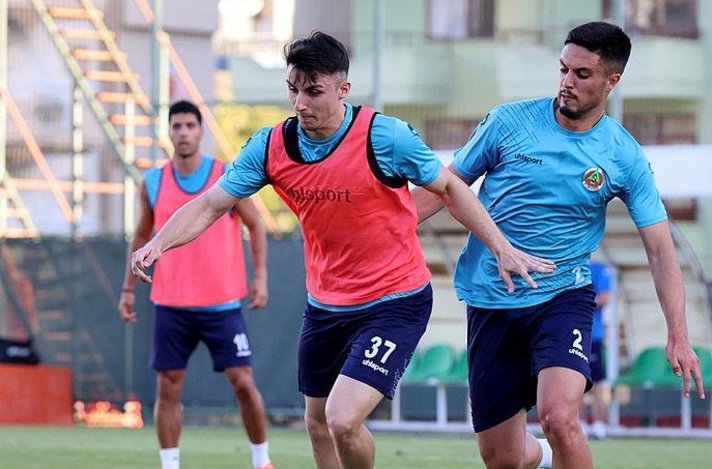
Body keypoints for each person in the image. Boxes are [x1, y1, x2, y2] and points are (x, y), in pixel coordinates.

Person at [129, 32, 554, 469]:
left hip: (395, 301)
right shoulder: (270, 147)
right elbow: (209, 205)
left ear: (342, 89)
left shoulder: (385, 137)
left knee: (342, 418)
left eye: (313, 91)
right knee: (317, 423)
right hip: (326, 306)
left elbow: (449, 187)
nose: (300, 103)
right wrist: (158, 243)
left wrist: (500, 246)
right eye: (293, 89)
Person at [414, 21, 705, 469]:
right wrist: (383, 231)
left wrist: (678, 335)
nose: (567, 82)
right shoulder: (508, 122)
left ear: (611, 81)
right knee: (503, 459)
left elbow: (661, 250)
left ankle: (557, 443)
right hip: (492, 297)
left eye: (582, 74)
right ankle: (545, 456)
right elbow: (446, 187)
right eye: (564, 69)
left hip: (562, 295)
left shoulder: (622, 154)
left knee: (559, 417)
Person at [118, 100, 273, 469]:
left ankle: (261, 460)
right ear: (169, 132)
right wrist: (127, 289)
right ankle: (170, 464)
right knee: (167, 386)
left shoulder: (225, 175)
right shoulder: (152, 182)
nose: (183, 132)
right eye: (177, 126)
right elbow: (141, 235)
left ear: (201, 131)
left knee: (243, 382)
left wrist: (261, 276)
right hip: (171, 304)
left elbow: (255, 225)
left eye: (190, 125)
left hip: (222, 304)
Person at [581, 260, 613, 440]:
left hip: (593, 336)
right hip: (572, 335)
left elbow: (605, 297)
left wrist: (578, 303)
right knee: (572, 383)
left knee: (597, 384)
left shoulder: (599, 269)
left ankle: (599, 424)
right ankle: (579, 424)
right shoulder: (565, 264)